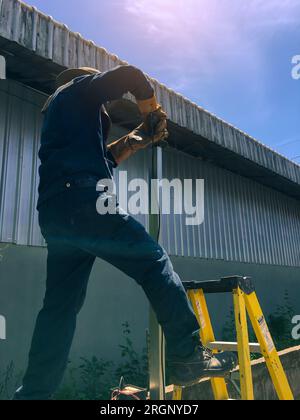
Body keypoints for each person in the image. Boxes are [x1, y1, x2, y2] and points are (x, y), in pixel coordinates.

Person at [14, 65, 236, 400]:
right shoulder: (80, 89)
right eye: (103, 106)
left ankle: (32, 394)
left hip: (57, 214)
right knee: (153, 262)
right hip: (87, 202)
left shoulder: (62, 115)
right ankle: (188, 356)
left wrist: (139, 137)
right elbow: (131, 75)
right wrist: (150, 108)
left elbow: (104, 158)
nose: (104, 110)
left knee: (58, 309)